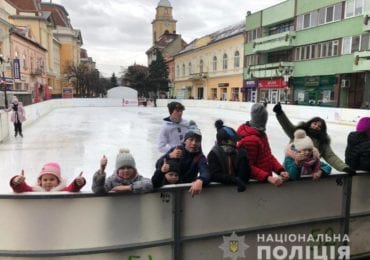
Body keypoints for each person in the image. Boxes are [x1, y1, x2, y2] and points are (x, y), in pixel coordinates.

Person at [273, 102, 355, 175]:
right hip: (292, 168)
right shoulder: (299, 133)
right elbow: (287, 126)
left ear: (322, 130)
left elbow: (330, 156)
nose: (316, 126)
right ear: (310, 123)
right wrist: (280, 113)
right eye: (315, 123)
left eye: (319, 126)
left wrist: (344, 167)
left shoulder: (322, 141)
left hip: (309, 172)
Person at [237, 102, 289, 186]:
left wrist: (280, 170)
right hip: (255, 186)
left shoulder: (261, 135)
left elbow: (267, 157)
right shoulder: (250, 140)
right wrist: (267, 177)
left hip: (264, 182)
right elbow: (247, 167)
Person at [153, 122, 210, 196]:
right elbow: (158, 164)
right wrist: (169, 156)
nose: (194, 143)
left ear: (200, 143)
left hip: (187, 191)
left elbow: (206, 172)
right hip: (170, 187)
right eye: (191, 139)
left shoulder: (200, 157)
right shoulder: (177, 150)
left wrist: (200, 180)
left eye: (197, 141)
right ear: (185, 141)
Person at [207, 119, 250, 192]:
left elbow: (243, 178)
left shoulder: (236, 152)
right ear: (224, 142)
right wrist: (234, 180)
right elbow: (215, 175)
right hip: (218, 193)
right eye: (233, 141)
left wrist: (244, 158)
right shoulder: (213, 154)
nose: (236, 143)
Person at [9, 162, 86, 193]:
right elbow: (22, 189)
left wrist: (77, 183)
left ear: (58, 181)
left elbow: (72, 189)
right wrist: (17, 182)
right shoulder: (35, 190)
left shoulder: (63, 190)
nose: (48, 182)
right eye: (45, 180)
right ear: (40, 181)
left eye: (52, 179)